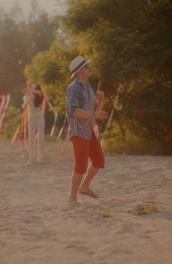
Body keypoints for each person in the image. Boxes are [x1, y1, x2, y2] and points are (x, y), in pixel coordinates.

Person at [65, 55, 108, 206]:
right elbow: (75, 111)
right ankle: (72, 199)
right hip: (78, 131)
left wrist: (101, 100)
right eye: (87, 66)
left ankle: (84, 187)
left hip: (89, 130)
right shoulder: (72, 88)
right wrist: (94, 114)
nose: (90, 68)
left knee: (99, 160)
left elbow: (96, 110)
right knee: (80, 165)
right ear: (81, 70)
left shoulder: (88, 87)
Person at [22, 84, 45, 163]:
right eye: (31, 88)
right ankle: (31, 158)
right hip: (31, 116)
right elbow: (23, 106)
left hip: (39, 115)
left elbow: (39, 92)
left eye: (34, 88)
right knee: (31, 137)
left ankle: (40, 158)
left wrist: (29, 90)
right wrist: (27, 99)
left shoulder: (40, 95)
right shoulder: (28, 97)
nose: (32, 89)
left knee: (40, 137)